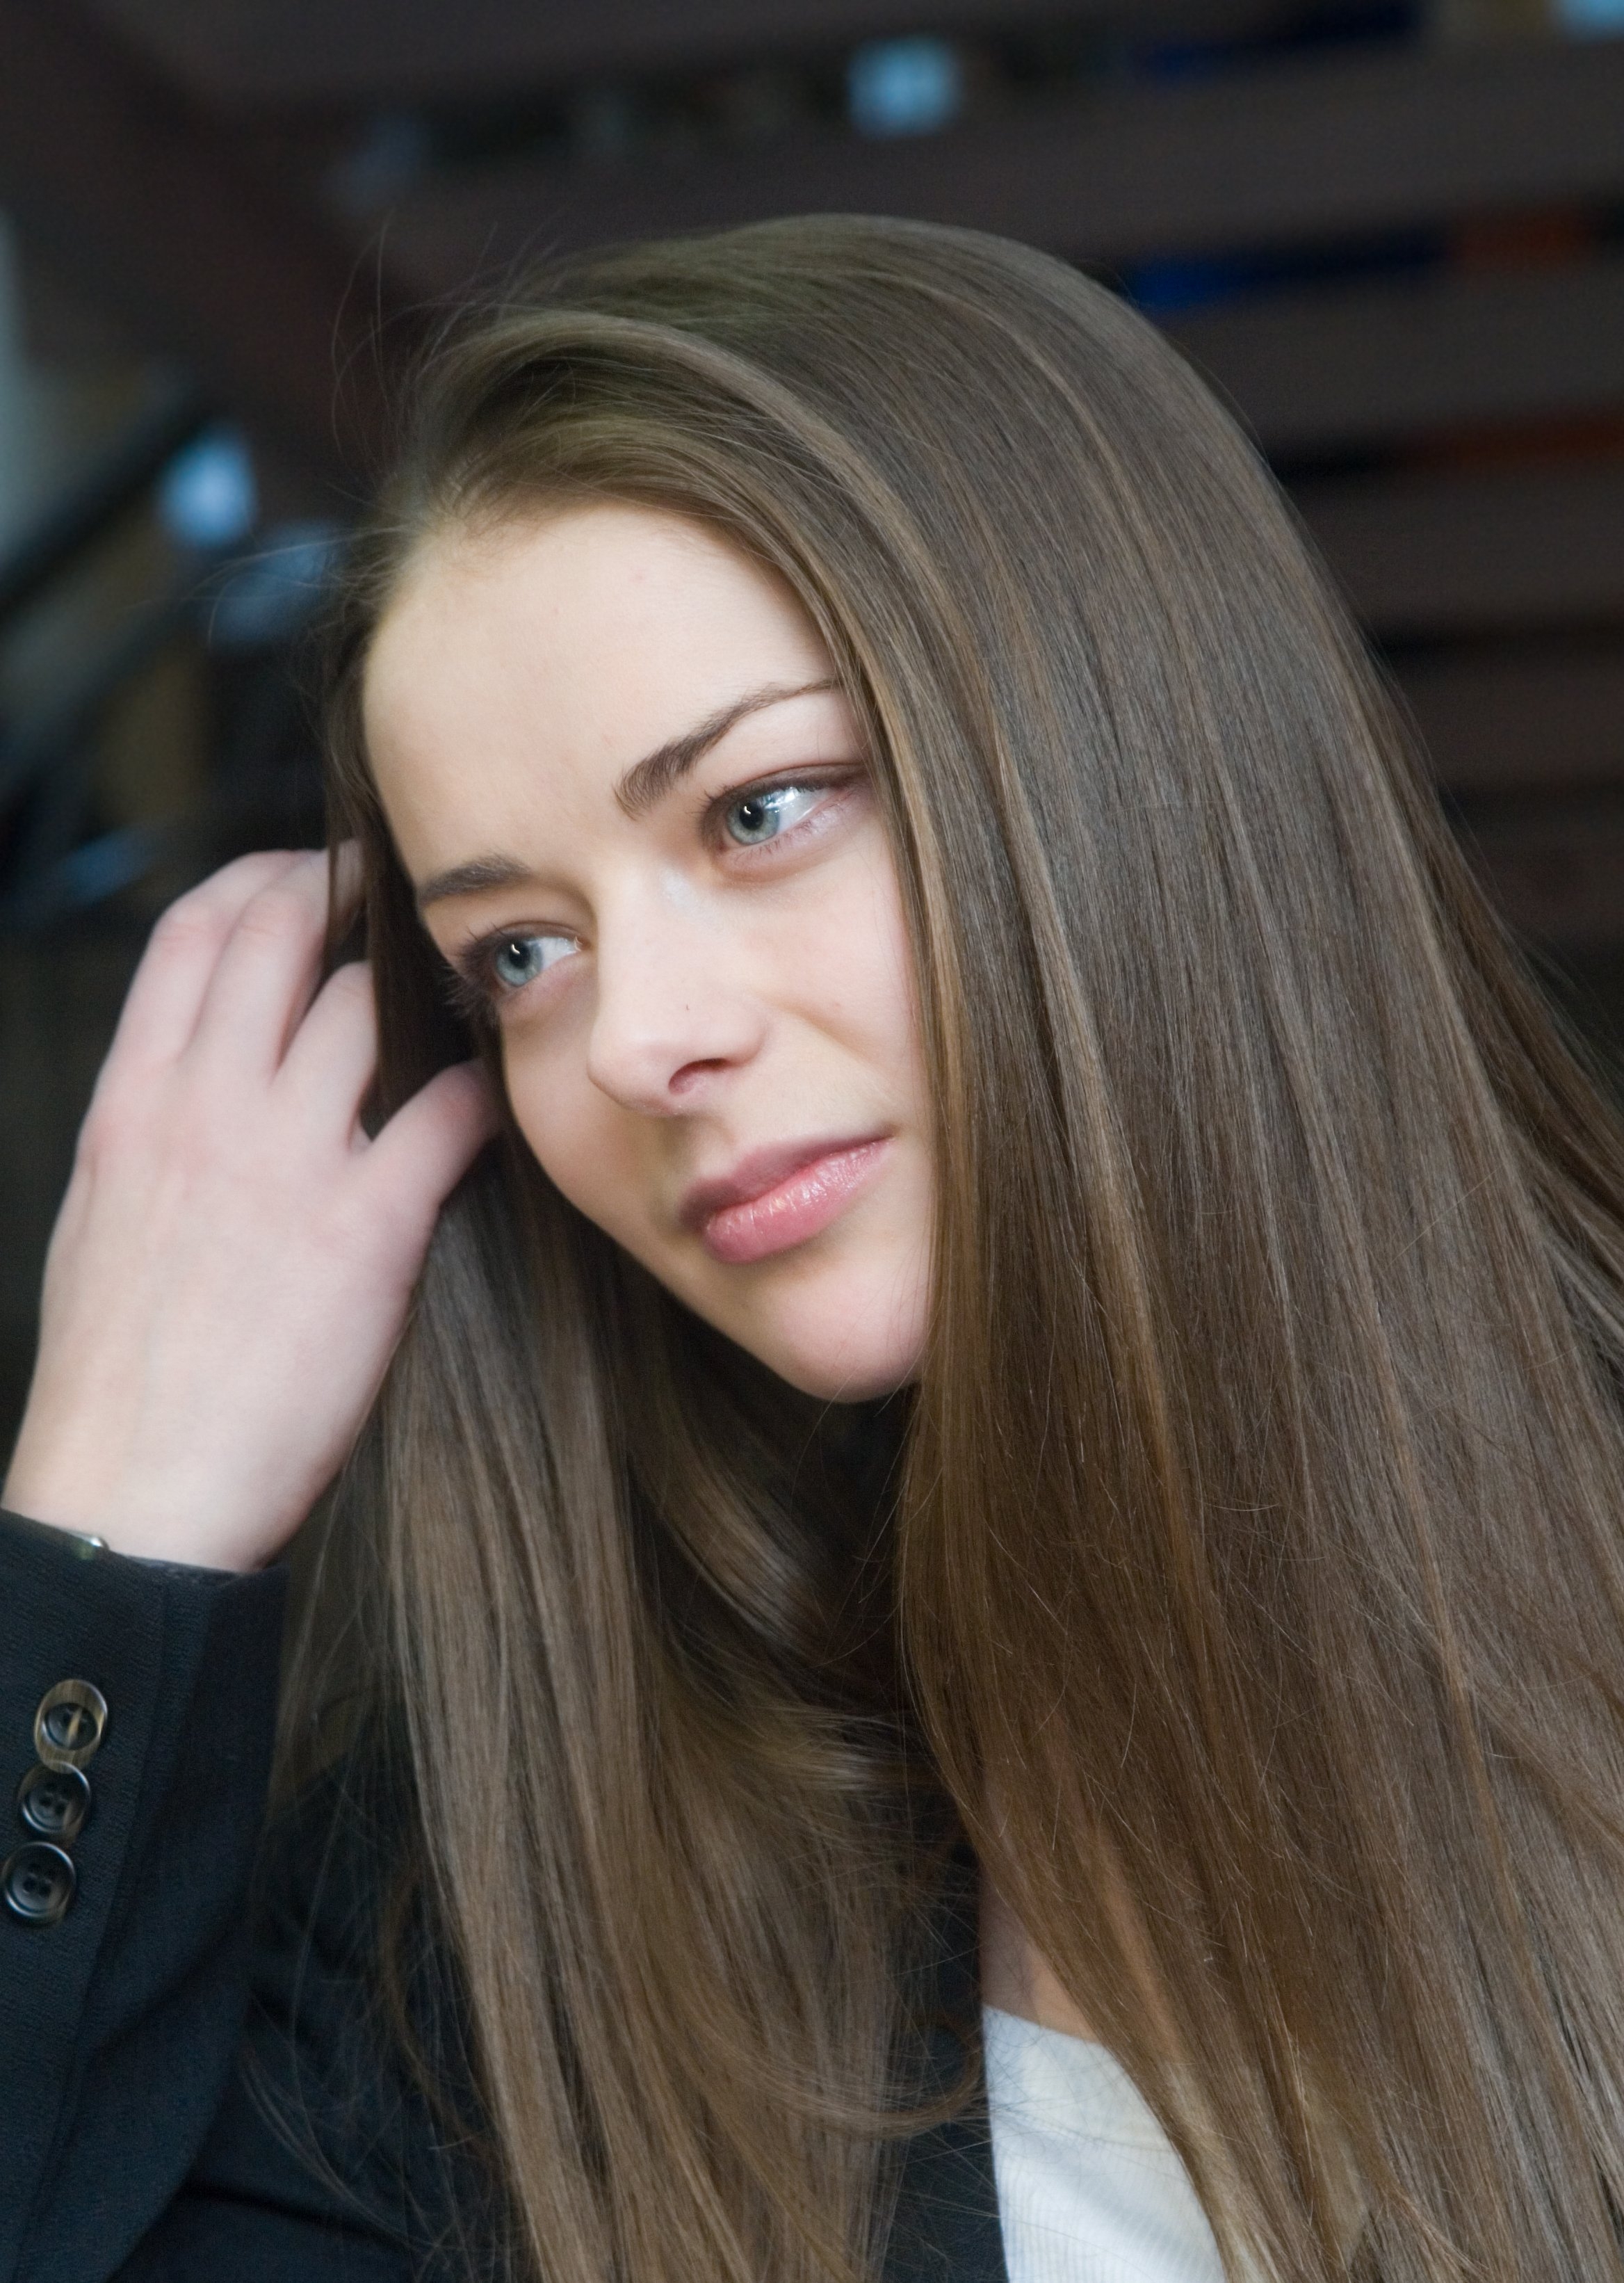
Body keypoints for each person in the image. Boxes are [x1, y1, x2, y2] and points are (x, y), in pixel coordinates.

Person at [3, 214, 1624, 2283]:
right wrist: (113, 1518)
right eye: (520, 952)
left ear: (1130, 753)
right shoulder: (483, 1946)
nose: (635, 1039)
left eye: (760, 810)